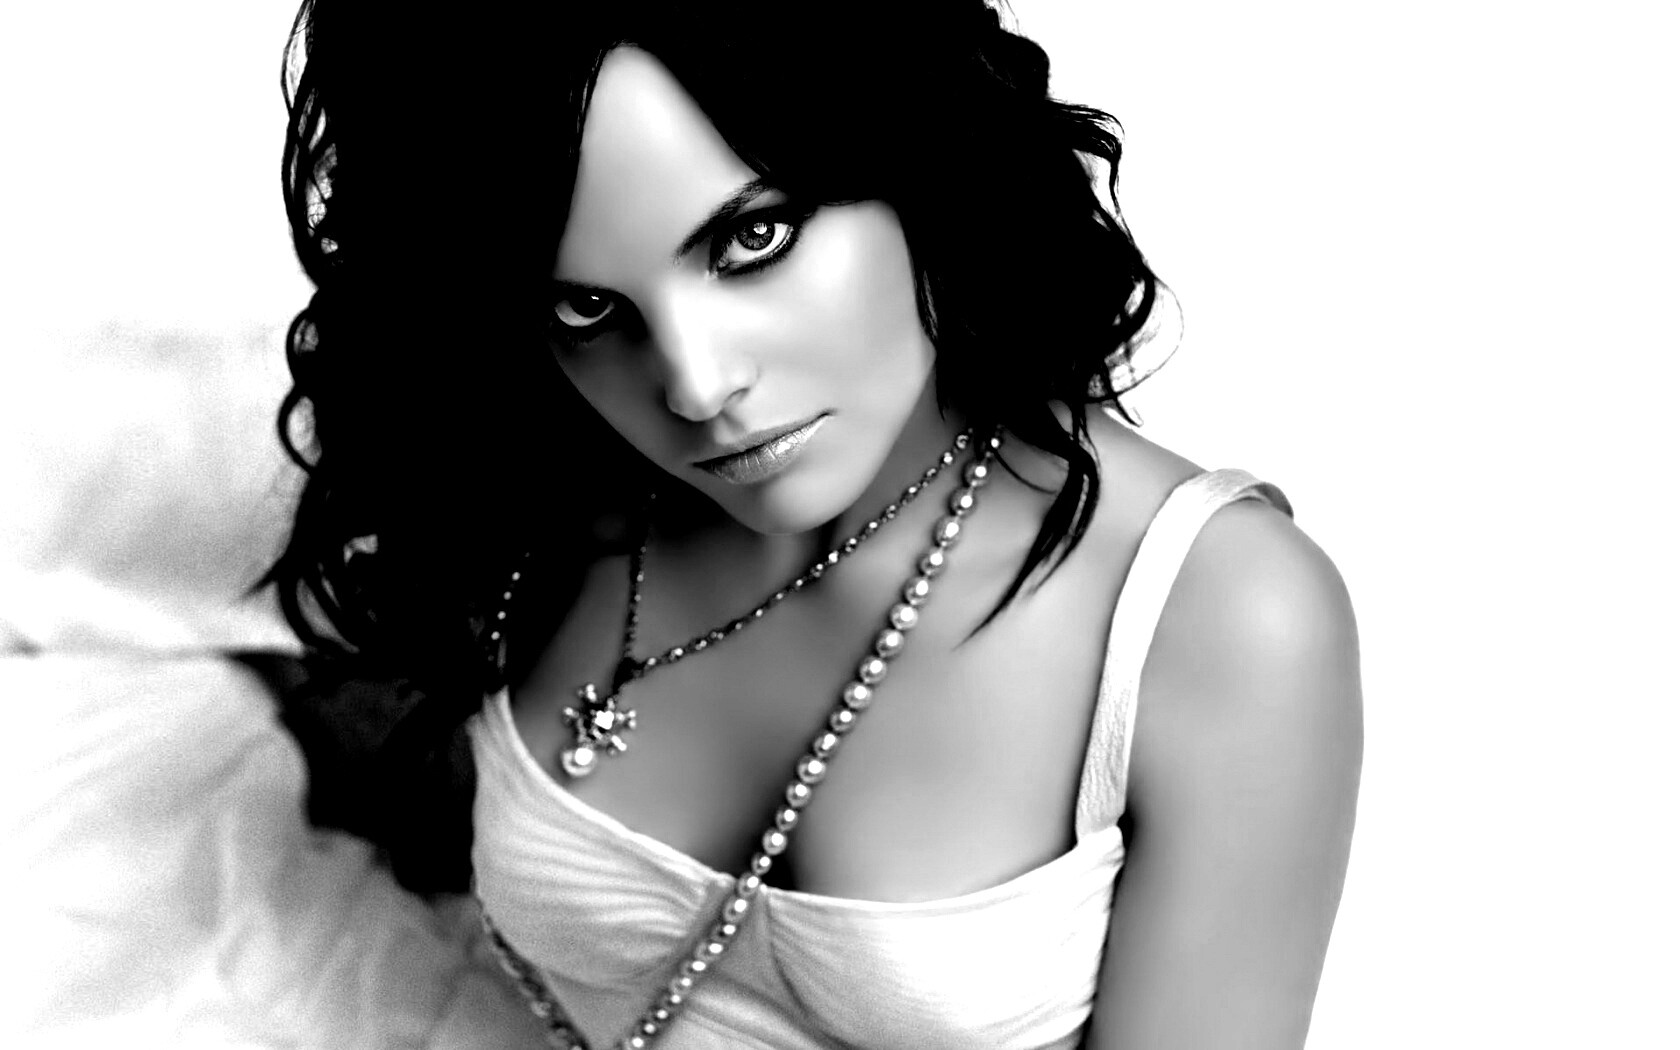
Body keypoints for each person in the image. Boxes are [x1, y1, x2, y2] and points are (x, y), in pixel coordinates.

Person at [265, 1, 1364, 1047]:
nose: (696, 385)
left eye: (753, 237)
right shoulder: (563, 493)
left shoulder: (1221, 614)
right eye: (586, 305)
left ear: (919, 154)